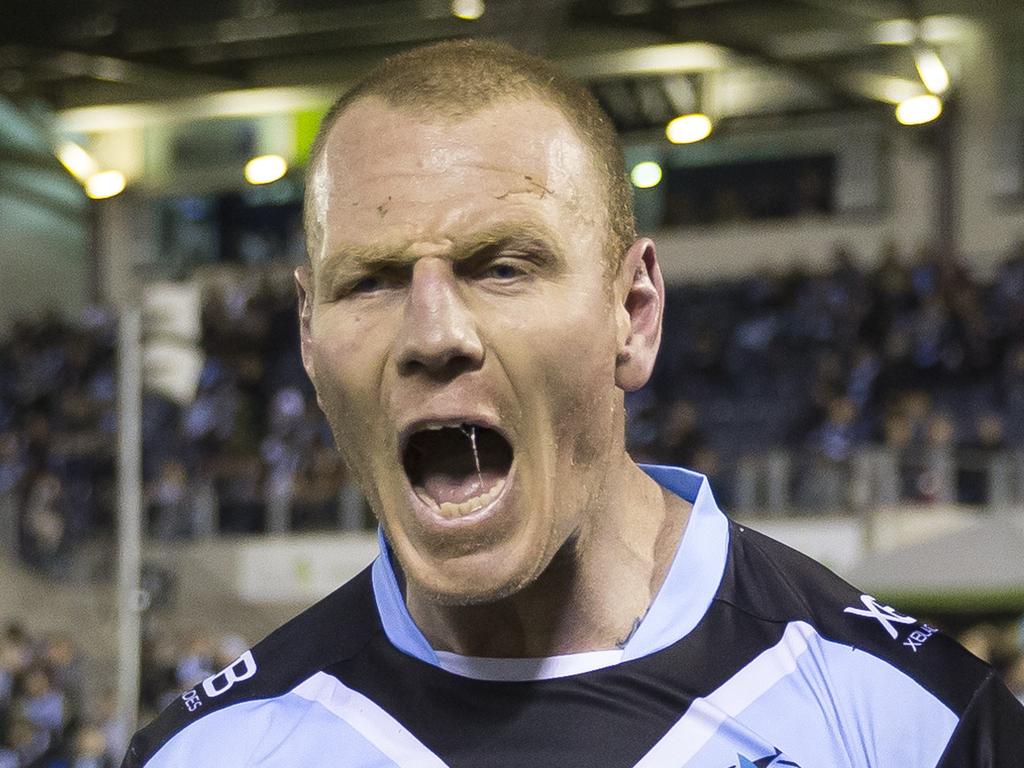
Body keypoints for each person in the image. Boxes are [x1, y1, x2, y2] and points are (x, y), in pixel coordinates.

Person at [122, 39, 1024, 768]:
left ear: (633, 315)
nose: (435, 333)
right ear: (310, 342)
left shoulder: (917, 727)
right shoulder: (207, 750)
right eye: (371, 281)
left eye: (504, 266)